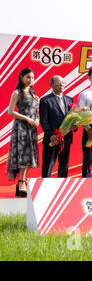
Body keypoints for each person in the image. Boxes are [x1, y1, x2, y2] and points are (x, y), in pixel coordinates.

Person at [6, 68, 39, 197]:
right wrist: (27, 118)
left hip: (32, 128)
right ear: (21, 78)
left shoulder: (33, 92)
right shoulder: (17, 93)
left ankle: (23, 181)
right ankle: (21, 182)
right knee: (22, 155)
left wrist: (37, 119)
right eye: (28, 77)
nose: (30, 80)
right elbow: (10, 111)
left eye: (32, 77)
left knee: (29, 155)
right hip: (21, 128)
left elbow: (36, 110)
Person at [39, 75, 76, 178]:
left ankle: (61, 188)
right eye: (58, 83)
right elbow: (44, 121)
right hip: (53, 139)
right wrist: (51, 135)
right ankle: (44, 187)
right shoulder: (45, 100)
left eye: (63, 83)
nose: (61, 85)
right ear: (51, 85)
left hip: (66, 138)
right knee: (48, 165)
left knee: (64, 165)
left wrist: (74, 126)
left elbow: (73, 117)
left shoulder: (69, 99)